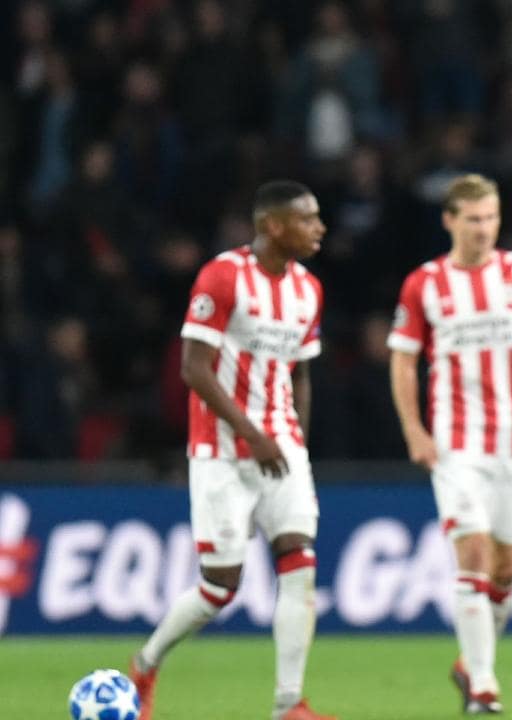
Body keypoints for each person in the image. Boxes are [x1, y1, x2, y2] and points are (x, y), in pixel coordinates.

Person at [129, 180, 335, 720]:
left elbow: (301, 371)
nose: (319, 228)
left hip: (281, 449)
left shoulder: (308, 289)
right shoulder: (222, 276)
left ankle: (289, 704)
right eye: (307, 219)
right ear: (273, 225)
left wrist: (295, 439)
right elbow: (193, 368)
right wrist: (250, 433)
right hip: (220, 452)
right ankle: (146, 663)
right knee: (219, 588)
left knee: (300, 564)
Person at [387, 173, 512, 715]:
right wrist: (414, 429)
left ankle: (470, 662)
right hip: (455, 444)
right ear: (450, 220)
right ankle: (484, 684)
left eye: (491, 217)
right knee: (472, 554)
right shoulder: (424, 283)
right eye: (473, 219)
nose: (484, 228)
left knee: (507, 569)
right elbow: (402, 362)